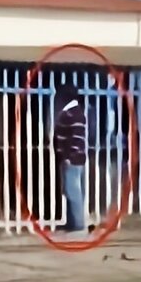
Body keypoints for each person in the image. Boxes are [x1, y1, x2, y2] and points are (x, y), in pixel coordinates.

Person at [54, 82, 88, 234]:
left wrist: (69, 156)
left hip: (72, 160)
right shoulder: (70, 112)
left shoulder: (74, 113)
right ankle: (72, 222)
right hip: (70, 158)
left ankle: (78, 224)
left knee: (73, 191)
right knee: (69, 191)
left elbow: (77, 138)